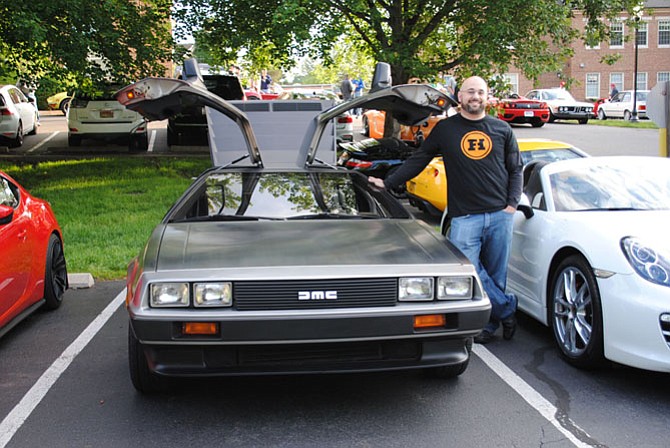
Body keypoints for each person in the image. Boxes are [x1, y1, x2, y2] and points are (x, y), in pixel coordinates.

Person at [368, 76, 522, 344]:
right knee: (470, 271)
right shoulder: (445, 129)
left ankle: (490, 325)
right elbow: (419, 159)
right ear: (459, 96)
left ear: (488, 97)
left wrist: (512, 204)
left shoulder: (502, 129)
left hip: (500, 214)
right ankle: (508, 308)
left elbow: (515, 168)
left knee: (497, 275)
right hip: (464, 216)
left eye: (481, 92)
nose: (475, 96)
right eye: (470, 92)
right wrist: (388, 181)